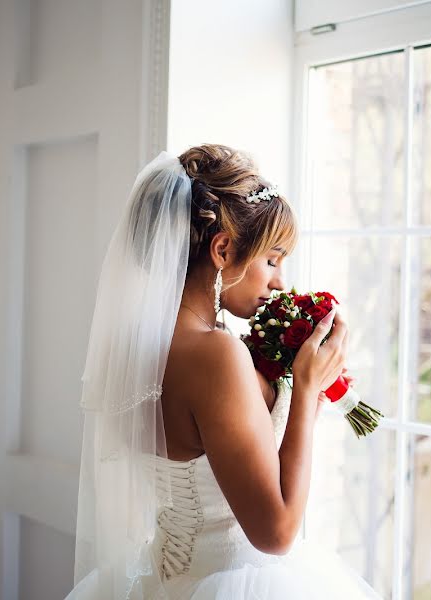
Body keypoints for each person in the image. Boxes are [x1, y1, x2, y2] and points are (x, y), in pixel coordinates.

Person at [66, 144, 381, 599]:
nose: (279, 281)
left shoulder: (135, 343)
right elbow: (276, 534)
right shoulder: (216, 355)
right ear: (222, 248)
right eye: (272, 259)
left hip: (162, 578)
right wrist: (308, 389)